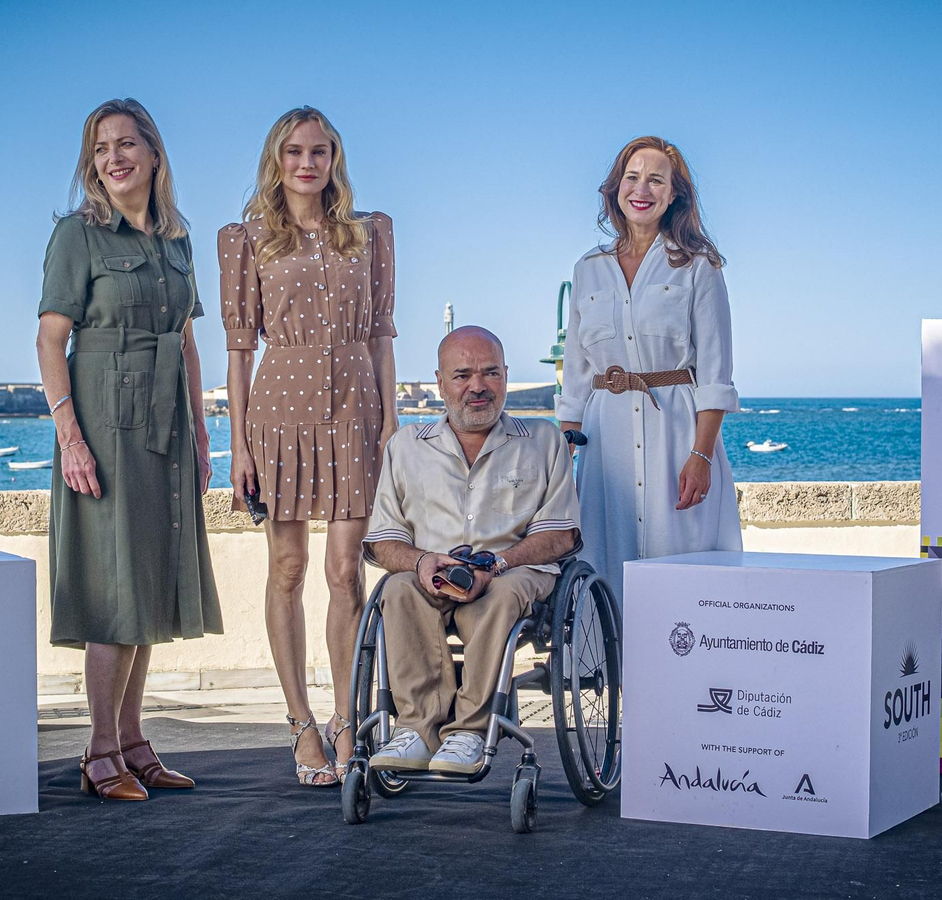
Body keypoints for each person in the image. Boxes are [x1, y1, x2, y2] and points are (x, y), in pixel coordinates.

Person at [36, 98, 222, 801]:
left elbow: (187, 341)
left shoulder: (178, 241)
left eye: (125, 143)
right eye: (100, 148)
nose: (113, 157)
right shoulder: (76, 237)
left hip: (168, 427)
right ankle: (99, 751)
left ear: (152, 152)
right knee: (114, 590)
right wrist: (70, 438)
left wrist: (204, 434)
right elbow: (51, 341)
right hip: (104, 429)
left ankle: (136, 741)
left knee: (148, 585)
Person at [219, 107, 398, 787]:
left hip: (355, 408)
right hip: (279, 411)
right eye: (293, 151)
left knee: (346, 571)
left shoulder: (370, 234)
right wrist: (237, 444)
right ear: (277, 158)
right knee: (288, 569)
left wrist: (389, 421)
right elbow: (240, 352)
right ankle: (300, 723)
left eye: (318, 151)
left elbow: (382, 334)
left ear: (334, 159)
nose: (306, 163)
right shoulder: (247, 239)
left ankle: (347, 719)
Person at [363, 326, 581, 775]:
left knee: (501, 595)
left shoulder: (543, 441)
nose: (477, 386)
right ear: (440, 383)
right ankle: (416, 730)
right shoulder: (406, 447)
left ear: (505, 376)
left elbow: (560, 535)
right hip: (433, 573)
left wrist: (497, 563)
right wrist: (423, 563)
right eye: (462, 375)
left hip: (514, 570)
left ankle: (469, 730)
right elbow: (384, 538)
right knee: (398, 589)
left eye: (490, 373)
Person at [556, 136, 741, 607]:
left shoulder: (700, 268)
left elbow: (717, 374)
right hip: (605, 443)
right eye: (632, 177)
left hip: (677, 436)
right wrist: (565, 459)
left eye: (656, 179)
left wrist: (700, 455)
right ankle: (608, 670)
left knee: (682, 565)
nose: (642, 189)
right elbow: (576, 375)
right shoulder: (588, 269)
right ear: (616, 188)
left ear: (675, 192)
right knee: (603, 561)